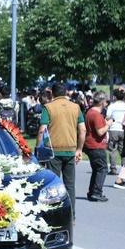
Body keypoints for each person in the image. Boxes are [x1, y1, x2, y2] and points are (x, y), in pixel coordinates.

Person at [36, 82, 85, 217]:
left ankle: (55, 215)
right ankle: (71, 215)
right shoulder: (76, 107)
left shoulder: (48, 108)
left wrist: (38, 148)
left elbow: (42, 130)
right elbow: (82, 129)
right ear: (66, 93)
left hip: (53, 152)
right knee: (70, 185)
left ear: (52, 92)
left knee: (52, 185)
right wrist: (79, 148)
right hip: (70, 149)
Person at [83, 91, 114, 202]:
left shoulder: (90, 112)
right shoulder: (96, 114)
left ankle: (92, 191)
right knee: (102, 168)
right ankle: (96, 192)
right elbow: (100, 131)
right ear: (102, 102)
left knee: (96, 169)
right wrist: (108, 124)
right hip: (95, 145)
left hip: (90, 144)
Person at [105, 89, 125, 175]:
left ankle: (113, 169)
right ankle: (124, 168)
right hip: (123, 129)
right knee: (123, 150)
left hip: (114, 129)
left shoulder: (112, 106)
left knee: (112, 150)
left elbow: (107, 117)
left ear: (115, 97)